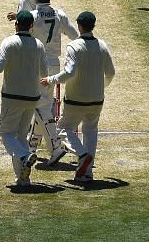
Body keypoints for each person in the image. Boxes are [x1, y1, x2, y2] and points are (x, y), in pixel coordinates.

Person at [41, 11, 115, 182]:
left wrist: (51, 80)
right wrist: (100, 87)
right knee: (90, 131)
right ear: (93, 26)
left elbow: (69, 72)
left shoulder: (74, 46)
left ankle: (82, 155)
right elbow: (110, 72)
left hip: (76, 99)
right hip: (97, 99)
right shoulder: (102, 45)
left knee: (61, 129)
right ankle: (86, 173)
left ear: (80, 26)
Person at [26, 0, 78, 166]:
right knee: (43, 105)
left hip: (37, 64)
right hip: (54, 64)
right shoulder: (60, 14)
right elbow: (75, 35)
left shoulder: (32, 16)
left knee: (40, 106)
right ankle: (31, 146)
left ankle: (56, 146)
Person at [0, 10, 47, 188]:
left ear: (16, 24)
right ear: (31, 26)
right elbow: (44, 73)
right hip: (32, 97)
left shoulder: (8, 42)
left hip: (12, 97)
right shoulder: (38, 45)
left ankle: (24, 156)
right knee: (21, 136)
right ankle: (23, 179)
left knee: (6, 134)